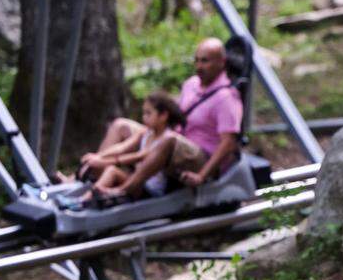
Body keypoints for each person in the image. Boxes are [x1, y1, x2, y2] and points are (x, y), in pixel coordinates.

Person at [79, 37, 242, 197]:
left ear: (222, 62)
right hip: (176, 140)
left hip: (200, 158)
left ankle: (124, 190)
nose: (199, 66)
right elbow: (175, 114)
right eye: (197, 60)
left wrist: (201, 176)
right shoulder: (191, 84)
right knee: (121, 126)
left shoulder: (227, 98)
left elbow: (228, 144)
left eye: (205, 61)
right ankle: (91, 173)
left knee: (169, 140)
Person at [81, 92, 183, 201]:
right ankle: (87, 192)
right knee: (104, 168)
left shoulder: (167, 139)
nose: (144, 117)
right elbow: (122, 148)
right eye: (144, 113)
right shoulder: (146, 132)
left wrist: (104, 161)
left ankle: (83, 201)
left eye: (149, 113)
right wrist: (99, 156)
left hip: (150, 189)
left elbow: (139, 156)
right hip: (136, 182)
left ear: (163, 116)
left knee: (112, 171)